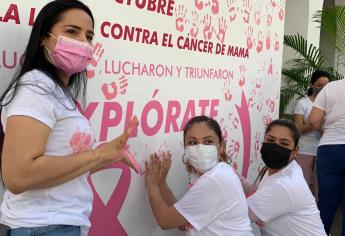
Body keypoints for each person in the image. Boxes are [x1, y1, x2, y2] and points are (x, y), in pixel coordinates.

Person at [0, 1, 139, 235]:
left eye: (89, 36)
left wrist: (109, 154)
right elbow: (18, 175)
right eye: (72, 32)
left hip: (59, 224)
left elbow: (63, 166)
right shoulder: (35, 88)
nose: (83, 43)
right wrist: (98, 154)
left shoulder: (58, 92)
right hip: (42, 226)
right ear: (44, 37)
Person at [144, 115, 253, 236]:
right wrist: (162, 184)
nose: (200, 148)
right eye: (192, 142)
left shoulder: (215, 180)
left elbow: (165, 221)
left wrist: (152, 186)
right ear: (185, 148)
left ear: (221, 145)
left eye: (208, 141)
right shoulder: (218, 173)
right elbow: (182, 223)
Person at [236, 119, 326, 236]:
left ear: (295, 152)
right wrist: (228, 170)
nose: (275, 147)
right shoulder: (281, 170)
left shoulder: (283, 184)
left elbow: (234, 217)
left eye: (284, 143)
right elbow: (254, 191)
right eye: (270, 140)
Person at [309, 76, 345, 235]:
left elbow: (313, 121)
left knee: (325, 204)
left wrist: (326, 130)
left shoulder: (331, 87)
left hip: (329, 149)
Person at [294, 70, 329, 196]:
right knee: (302, 183)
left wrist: (320, 126)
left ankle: (317, 212)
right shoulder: (303, 103)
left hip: (323, 149)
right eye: (320, 85)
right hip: (305, 150)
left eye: (326, 86)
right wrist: (312, 124)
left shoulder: (330, 104)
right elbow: (298, 129)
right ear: (312, 85)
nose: (323, 89)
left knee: (320, 184)